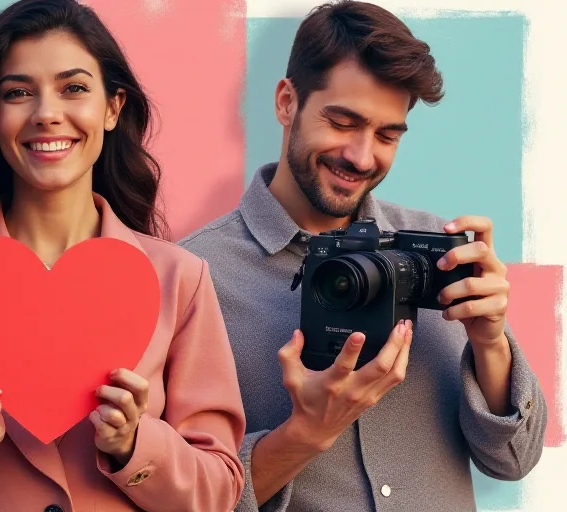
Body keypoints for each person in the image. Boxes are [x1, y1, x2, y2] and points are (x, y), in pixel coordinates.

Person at [0, 0, 246, 510]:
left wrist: (132, 445)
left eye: (74, 88)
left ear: (112, 107)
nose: (47, 114)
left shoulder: (179, 279)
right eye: (18, 93)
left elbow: (220, 490)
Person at [179, 1, 548, 510]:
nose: (361, 155)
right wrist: (304, 434)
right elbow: (184, 497)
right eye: (342, 121)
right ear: (287, 102)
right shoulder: (193, 277)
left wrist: (490, 343)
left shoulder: (434, 251)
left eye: (386, 135)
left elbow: (514, 460)